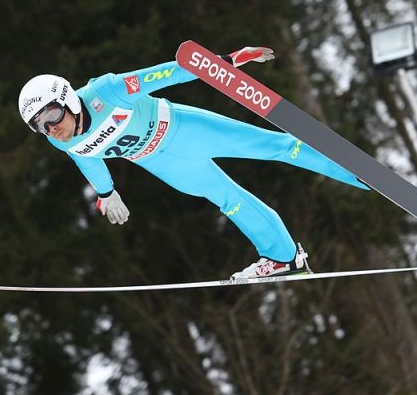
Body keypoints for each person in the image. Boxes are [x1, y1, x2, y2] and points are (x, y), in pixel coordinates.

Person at [18, 47, 370, 279]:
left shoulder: (106, 91)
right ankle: (283, 258)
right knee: (228, 200)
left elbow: (167, 73)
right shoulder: (61, 139)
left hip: (185, 130)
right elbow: (87, 159)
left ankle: (357, 172)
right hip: (165, 164)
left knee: (273, 146)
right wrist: (106, 192)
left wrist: (228, 61)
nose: (50, 128)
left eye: (51, 116)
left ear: (67, 99)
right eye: (39, 125)